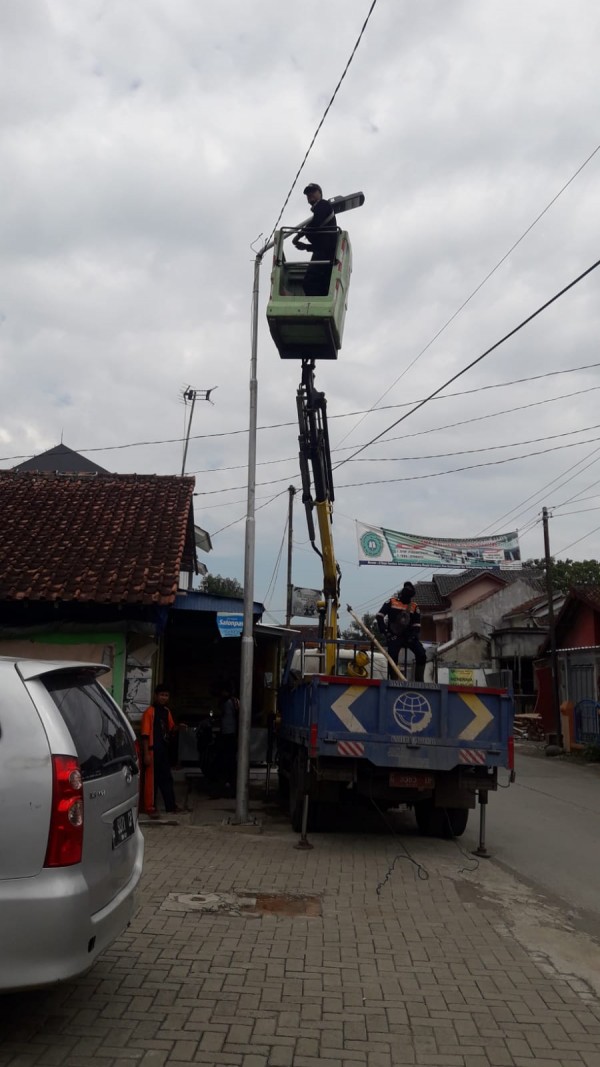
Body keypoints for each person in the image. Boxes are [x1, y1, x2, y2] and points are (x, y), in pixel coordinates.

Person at [140, 684, 184, 817]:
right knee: (151, 781)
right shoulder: (149, 712)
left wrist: (178, 727)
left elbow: (171, 728)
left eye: (166, 695)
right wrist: (146, 753)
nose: (164, 698)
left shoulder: (166, 711)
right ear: (156, 696)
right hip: (153, 750)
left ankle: (171, 806)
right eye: (162, 695)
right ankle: (150, 808)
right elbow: (145, 735)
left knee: (167, 779)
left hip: (163, 750)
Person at [292, 183, 338, 296]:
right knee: (322, 284)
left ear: (320, 193)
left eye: (312, 191)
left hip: (326, 254)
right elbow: (322, 243)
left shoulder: (323, 204)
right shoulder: (320, 211)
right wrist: (306, 247)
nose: (309, 195)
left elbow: (315, 224)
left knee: (309, 282)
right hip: (325, 253)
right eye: (308, 193)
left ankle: (312, 303)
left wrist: (300, 234)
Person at [376, 582, 427, 682]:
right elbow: (379, 616)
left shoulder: (414, 606)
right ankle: (393, 680)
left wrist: (413, 636)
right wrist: (386, 632)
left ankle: (419, 681)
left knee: (421, 654)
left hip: (409, 636)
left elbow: (417, 625)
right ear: (402, 593)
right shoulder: (392, 601)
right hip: (394, 635)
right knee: (392, 656)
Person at [217, 686, 239, 797]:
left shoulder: (228, 702)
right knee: (230, 761)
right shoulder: (234, 702)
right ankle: (230, 784)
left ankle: (228, 784)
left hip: (228, 734)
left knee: (227, 761)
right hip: (230, 733)